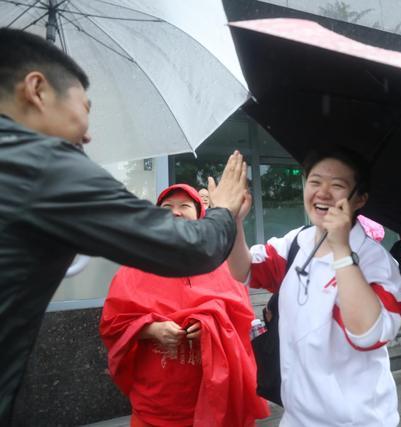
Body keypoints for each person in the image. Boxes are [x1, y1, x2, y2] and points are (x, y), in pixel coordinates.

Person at [0, 29, 247, 421]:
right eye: (84, 107)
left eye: (188, 206)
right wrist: (224, 209)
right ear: (37, 89)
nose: (89, 132)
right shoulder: (44, 164)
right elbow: (192, 249)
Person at [226, 148, 401, 426]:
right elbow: (243, 269)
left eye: (337, 185)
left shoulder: (377, 263)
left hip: (358, 420)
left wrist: (342, 250)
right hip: (296, 416)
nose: (322, 192)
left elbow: (368, 335)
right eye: (315, 181)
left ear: (360, 199)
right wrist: (233, 218)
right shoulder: (296, 243)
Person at [100, 184, 268, 426]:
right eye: (167, 207)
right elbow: (112, 325)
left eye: (184, 206)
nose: (175, 212)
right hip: (156, 403)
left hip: (215, 401)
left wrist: (212, 328)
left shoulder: (221, 264)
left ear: (200, 216)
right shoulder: (135, 266)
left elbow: (241, 321)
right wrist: (151, 330)